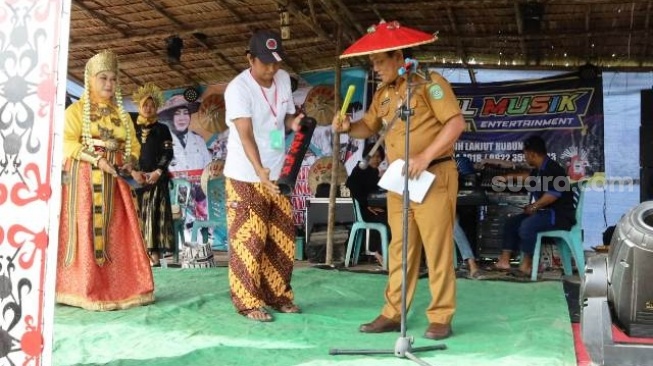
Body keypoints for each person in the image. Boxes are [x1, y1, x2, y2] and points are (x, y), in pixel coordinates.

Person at [332, 49, 466, 340]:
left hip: (433, 174)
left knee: (437, 248)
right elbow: (368, 126)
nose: (376, 68)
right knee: (400, 248)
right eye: (373, 63)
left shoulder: (429, 82)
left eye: (380, 61)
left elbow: (456, 123)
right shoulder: (382, 94)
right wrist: (348, 127)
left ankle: (441, 316)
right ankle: (393, 312)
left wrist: (426, 156)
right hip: (401, 179)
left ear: (398, 57)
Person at [56, 50, 154, 311]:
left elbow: (132, 145)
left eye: (113, 79)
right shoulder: (76, 111)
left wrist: (130, 162)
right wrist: (97, 160)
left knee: (117, 231)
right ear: (90, 79)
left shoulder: (122, 115)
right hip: (83, 181)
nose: (109, 84)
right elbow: (65, 142)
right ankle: (82, 288)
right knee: (86, 228)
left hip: (115, 182)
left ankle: (121, 289)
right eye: (103, 78)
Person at [223, 29, 304, 322]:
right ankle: (248, 302)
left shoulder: (282, 79)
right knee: (250, 240)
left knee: (282, 238)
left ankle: (279, 296)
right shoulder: (238, 89)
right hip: (246, 175)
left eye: (276, 62)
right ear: (250, 59)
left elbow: (281, 118)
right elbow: (245, 134)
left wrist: (294, 123)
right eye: (265, 63)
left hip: (278, 176)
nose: (272, 69)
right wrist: (259, 170)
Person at [492, 135, 575, 277]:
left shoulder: (553, 169)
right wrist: (506, 178)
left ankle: (527, 265)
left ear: (532, 154)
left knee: (527, 226)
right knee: (512, 223)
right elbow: (528, 177)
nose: (525, 157)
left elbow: (552, 195)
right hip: (545, 213)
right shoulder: (539, 169)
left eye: (525, 154)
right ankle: (504, 261)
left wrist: (534, 206)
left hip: (559, 215)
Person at [132, 83, 175, 266]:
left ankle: (154, 256)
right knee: (137, 216)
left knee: (154, 216)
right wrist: (134, 172)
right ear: (139, 107)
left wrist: (158, 172)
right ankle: (137, 257)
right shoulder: (132, 128)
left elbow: (168, 153)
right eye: (145, 105)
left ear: (156, 107)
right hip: (136, 181)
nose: (148, 108)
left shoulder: (163, 128)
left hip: (157, 180)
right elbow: (128, 152)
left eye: (152, 105)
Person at [345, 144, 389, 265]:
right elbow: (351, 185)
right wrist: (366, 204)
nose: (376, 159)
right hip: (363, 210)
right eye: (373, 156)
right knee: (383, 219)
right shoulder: (361, 168)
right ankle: (377, 252)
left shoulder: (373, 171)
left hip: (370, 207)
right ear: (367, 157)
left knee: (391, 216)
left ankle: (382, 251)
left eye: (379, 156)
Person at [159, 94, 211, 173]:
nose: (182, 118)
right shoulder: (162, 141)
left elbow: (208, 165)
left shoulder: (198, 139)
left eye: (186, 113)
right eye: (177, 113)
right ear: (170, 117)